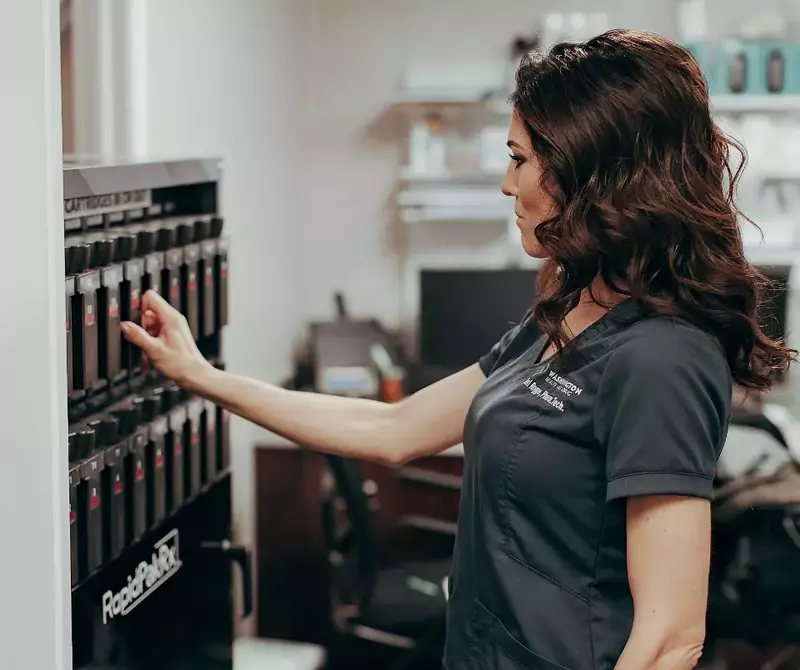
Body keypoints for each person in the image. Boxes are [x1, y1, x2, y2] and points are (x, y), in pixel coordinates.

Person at [121, 28, 795, 670]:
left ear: (587, 171)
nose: (508, 185)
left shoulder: (662, 359)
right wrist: (203, 376)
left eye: (520, 159)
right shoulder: (567, 316)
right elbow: (393, 428)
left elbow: (671, 638)